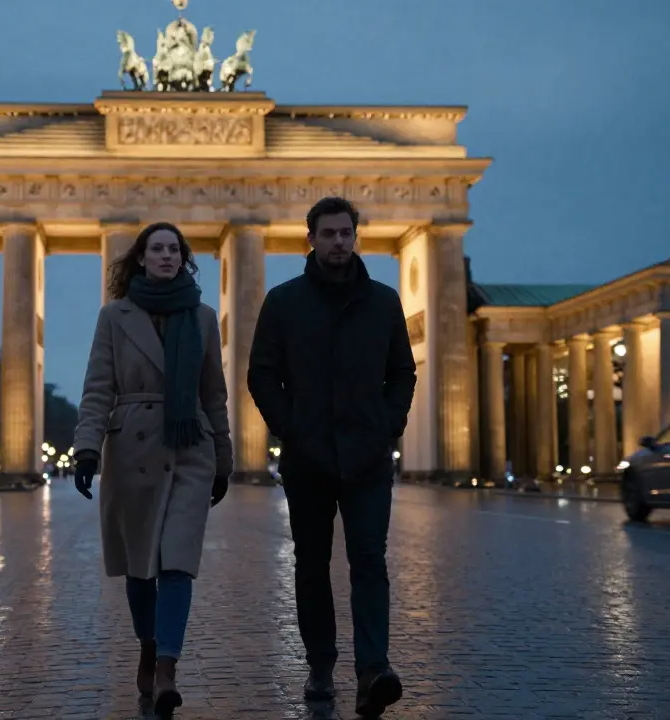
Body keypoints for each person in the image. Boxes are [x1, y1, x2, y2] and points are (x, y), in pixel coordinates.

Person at [247, 196, 417, 718]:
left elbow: (403, 373)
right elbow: (261, 375)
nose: (339, 242)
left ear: (356, 236)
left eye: (346, 233)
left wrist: (389, 426)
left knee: (370, 562)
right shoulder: (283, 302)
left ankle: (373, 670)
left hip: (367, 459)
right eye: (329, 234)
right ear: (312, 239)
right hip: (309, 460)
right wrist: (291, 429)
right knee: (312, 566)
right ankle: (321, 666)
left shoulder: (385, 302)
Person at [72, 221, 233, 715]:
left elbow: (214, 392)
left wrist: (224, 456)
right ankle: (147, 645)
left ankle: (167, 666)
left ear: (183, 259)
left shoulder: (204, 316)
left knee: (178, 561)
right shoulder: (113, 316)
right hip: (133, 448)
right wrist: (87, 447)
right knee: (140, 568)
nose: (166, 256)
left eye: (174, 250)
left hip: (189, 446)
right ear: (141, 258)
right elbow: (99, 385)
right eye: (156, 249)